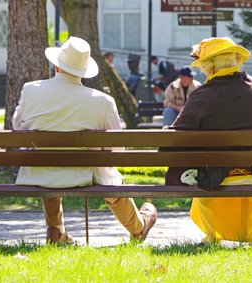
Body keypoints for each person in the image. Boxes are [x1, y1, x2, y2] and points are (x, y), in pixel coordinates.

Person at [12, 36, 157, 244]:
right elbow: (117, 148)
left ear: (57, 66)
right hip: (86, 174)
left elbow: (18, 127)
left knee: (50, 161)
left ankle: (55, 229)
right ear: (83, 71)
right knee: (109, 174)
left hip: (39, 171)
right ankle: (138, 229)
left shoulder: (30, 90)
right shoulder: (103, 101)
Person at [165, 37, 252, 244]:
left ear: (211, 66)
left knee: (203, 170)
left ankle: (213, 235)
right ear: (236, 60)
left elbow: (177, 135)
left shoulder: (202, 95)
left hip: (215, 176)